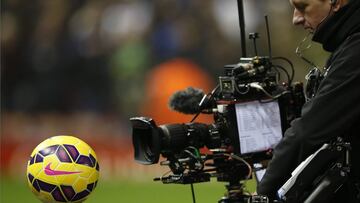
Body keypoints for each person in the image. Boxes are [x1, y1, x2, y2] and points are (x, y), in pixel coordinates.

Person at [256, 0, 360, 202]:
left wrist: (262, 193)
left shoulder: (355, 51)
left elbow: (308, 131)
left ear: (336, 2)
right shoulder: (347, 45)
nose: (296, 18)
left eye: (303, 7)